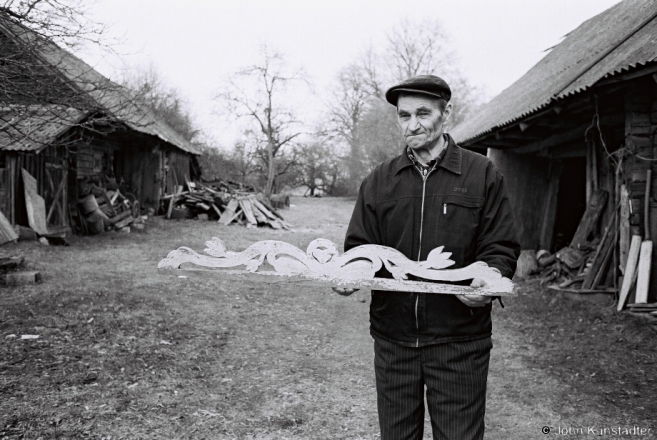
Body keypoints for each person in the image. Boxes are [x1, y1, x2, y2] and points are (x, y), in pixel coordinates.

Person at [334, 75, 520, 440]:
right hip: (394, 339)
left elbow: (500, 245)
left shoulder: (482, 174)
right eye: (404, 116)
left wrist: (488, 277)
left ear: (445, 113)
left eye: (423, 113)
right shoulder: (380, 180)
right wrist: (350, 272)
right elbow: (360, 247)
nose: (412, 125)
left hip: (459, 339)